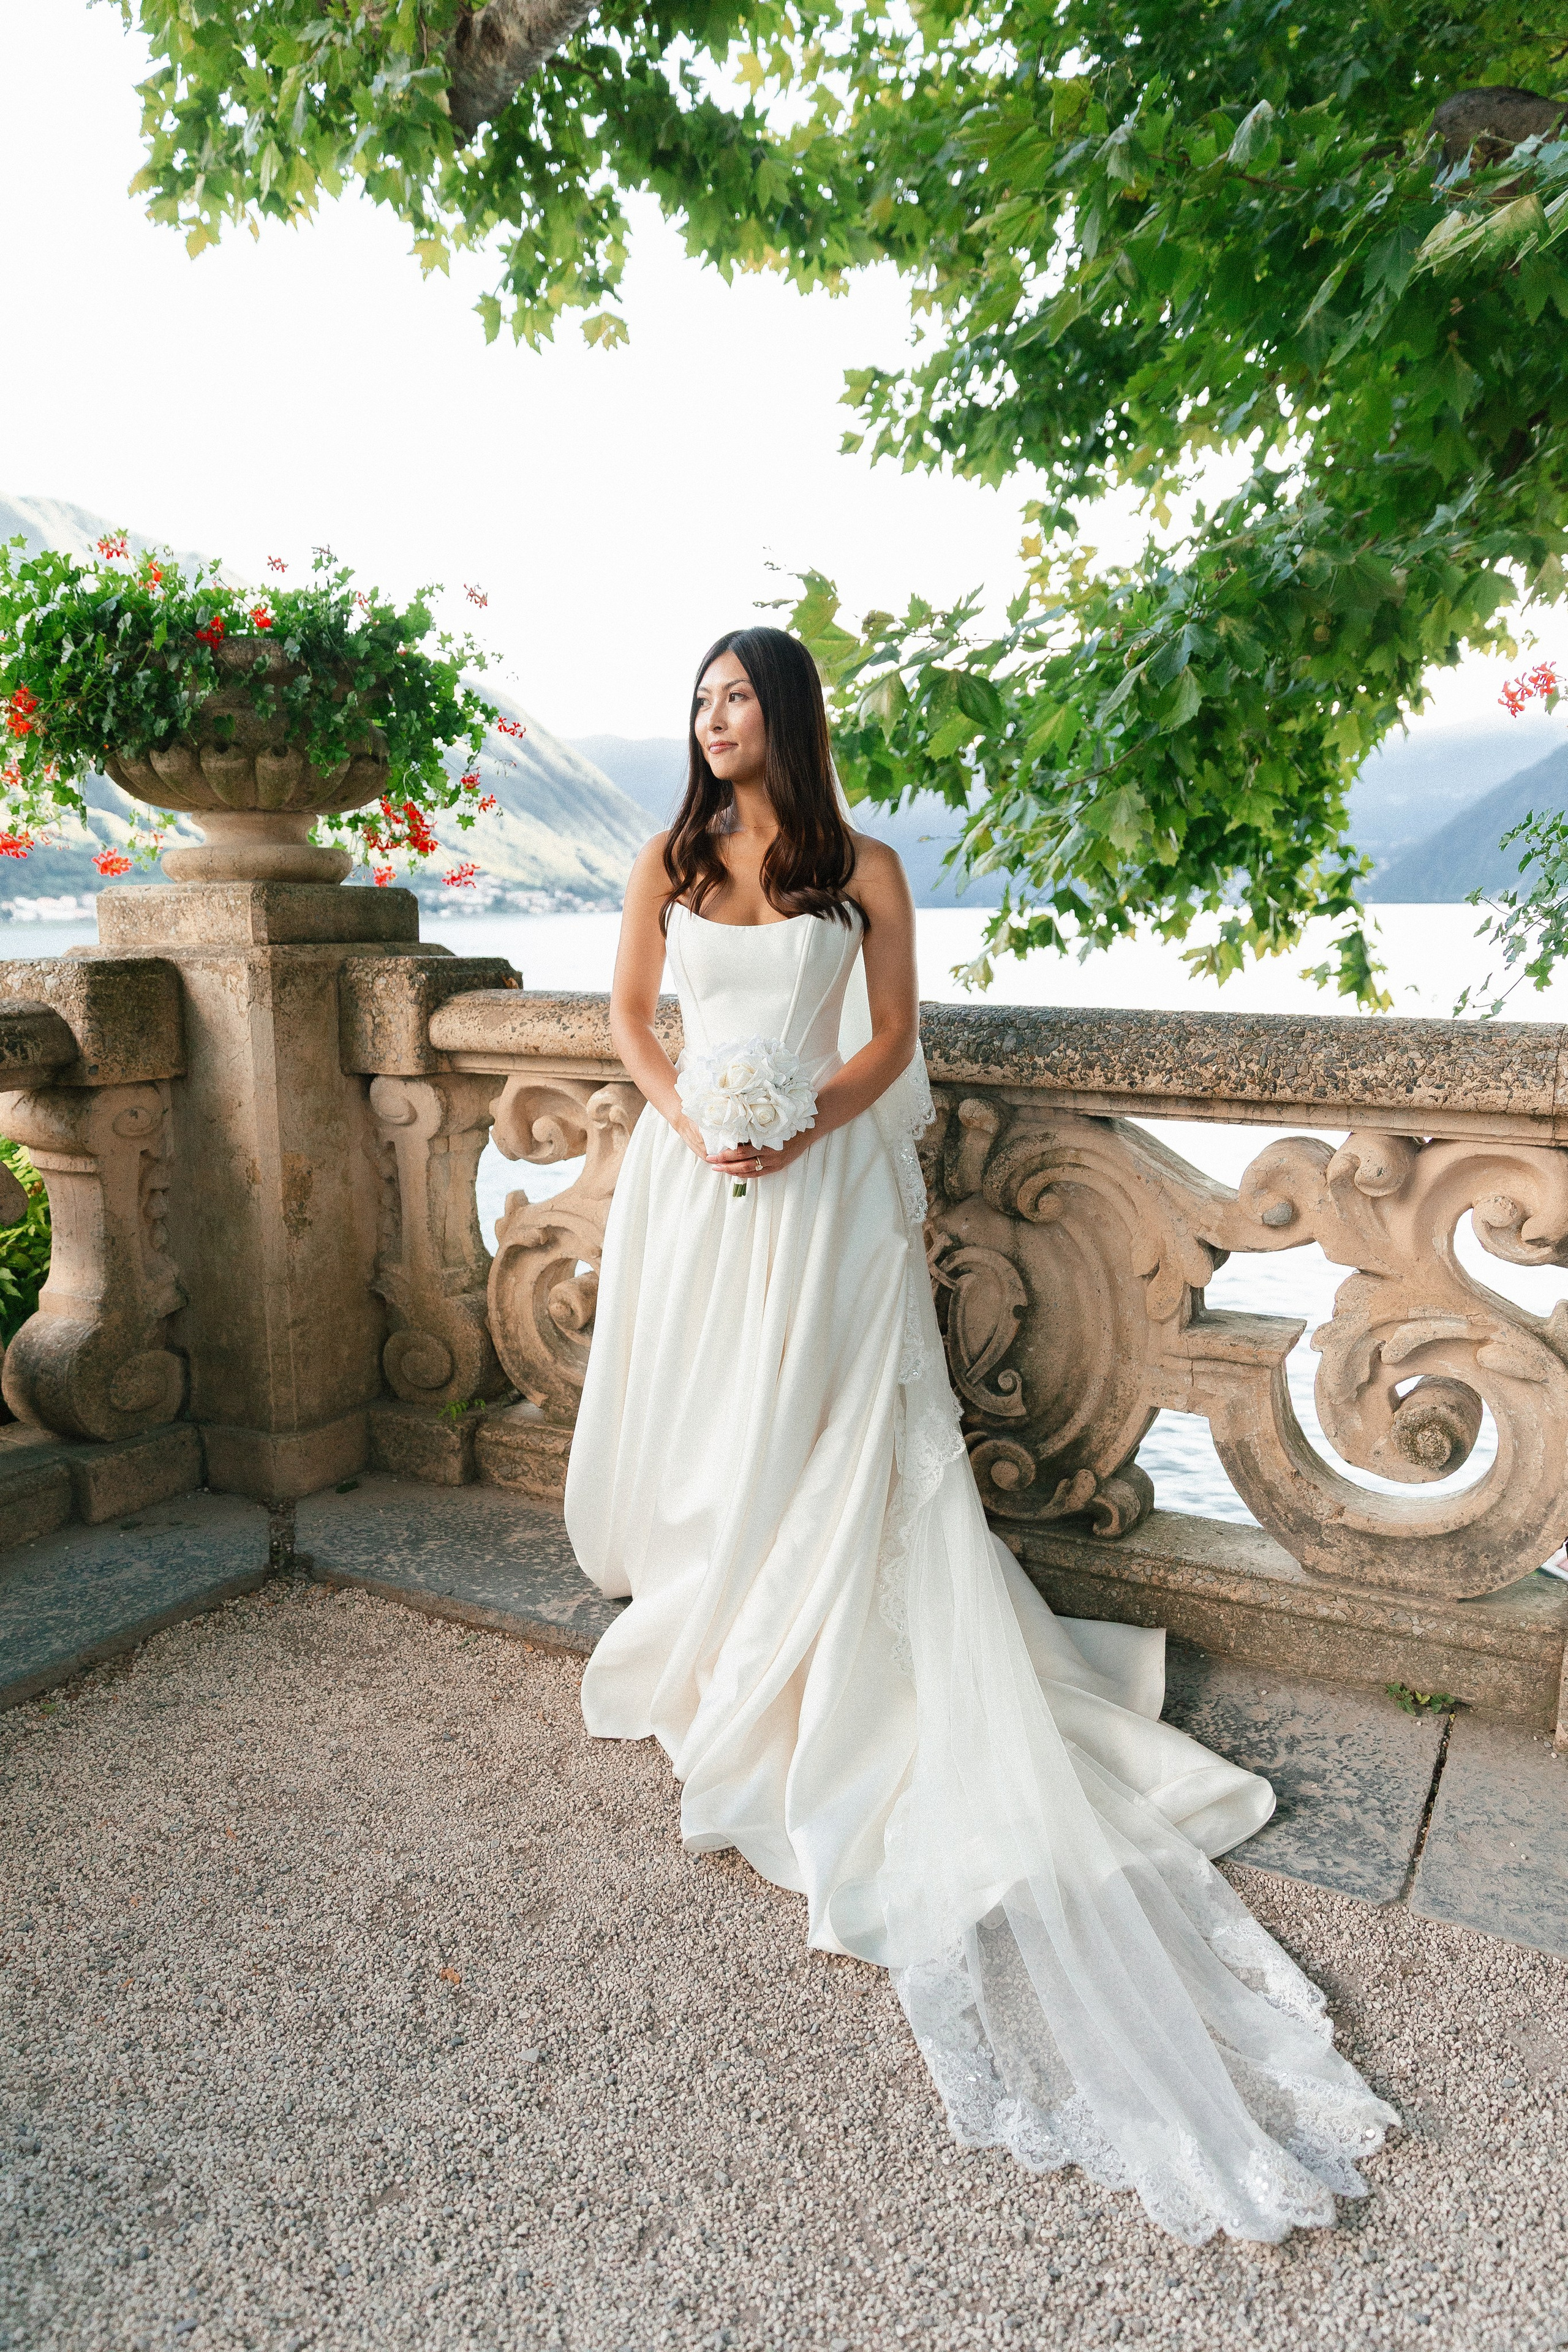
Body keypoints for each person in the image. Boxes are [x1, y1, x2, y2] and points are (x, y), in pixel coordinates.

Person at [563, 625, 1395, 2244]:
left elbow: (889, 1042)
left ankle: (837, 1651)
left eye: (737, 697)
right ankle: (736, 1621)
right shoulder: (667, 857)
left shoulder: (859, 863)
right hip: (700, 1181)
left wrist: (798, 1114)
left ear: (785, 716)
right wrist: (697, 1123)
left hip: (829, 1176)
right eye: (699, 700)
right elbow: (629, 1022)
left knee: (837, 1419)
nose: (712, 719)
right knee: (731, 1413)